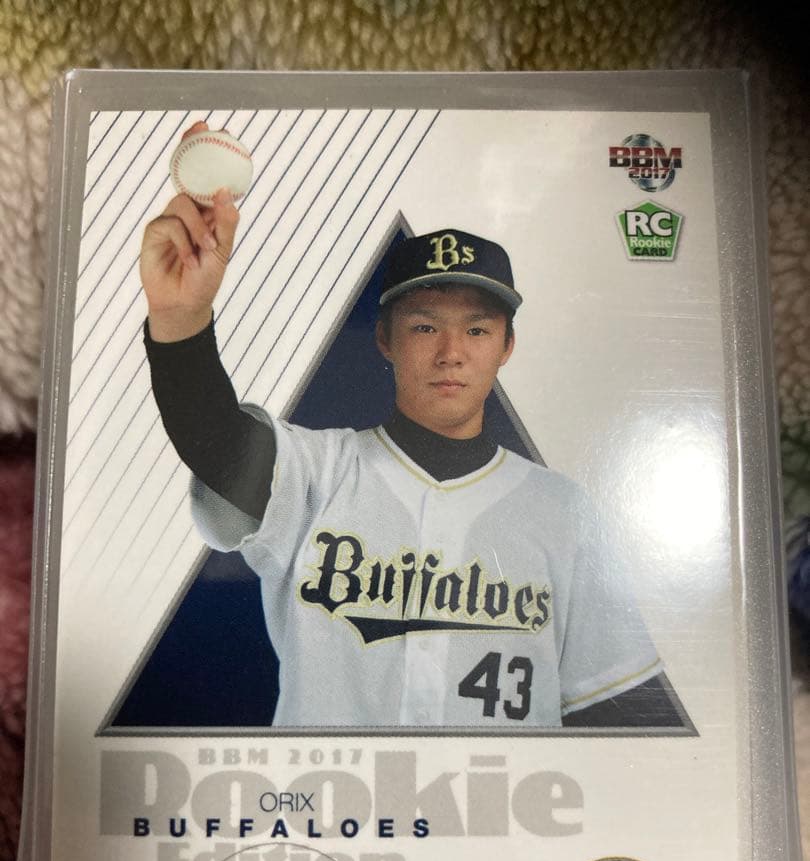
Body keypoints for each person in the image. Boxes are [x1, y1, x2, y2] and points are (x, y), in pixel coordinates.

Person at [140, 125, 687, 730]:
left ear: (506, 346)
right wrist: (182, 320)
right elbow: (216, 442)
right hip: (326, 793)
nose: (452, 353)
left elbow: (618, 716)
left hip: (505, 794)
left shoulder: (565, 513)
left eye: (476, 330)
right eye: (425, 327)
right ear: (385, 339)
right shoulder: (315, 473)